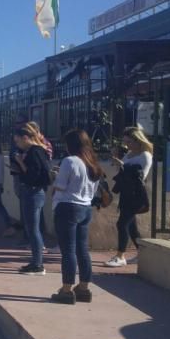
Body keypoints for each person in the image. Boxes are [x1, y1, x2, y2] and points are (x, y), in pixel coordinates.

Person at [50, 129, 102, 304]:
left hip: (67, 207)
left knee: (68, 251)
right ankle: (84, 288)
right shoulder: (93, 163)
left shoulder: (69, 161)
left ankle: (66, 290)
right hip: (85, 208)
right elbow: (94, 190)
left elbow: (61, 186)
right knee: (82, 249)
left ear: (70, 145)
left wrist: (55, 176)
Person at [106, 127, 154, 268]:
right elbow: (122, 173)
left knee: (122, 224)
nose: (127, 145)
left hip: (136, 194)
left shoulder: (145, 155)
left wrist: (123, 165)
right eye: (125, 142)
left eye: (129, 141)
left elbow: (140, 176)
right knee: (131, 226)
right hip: (126, 193)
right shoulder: (129, 154)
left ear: (137, 140)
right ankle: (141, 253)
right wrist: (119, 163)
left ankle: (120, 256)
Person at [12, 123, 52, 276]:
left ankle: (38, 264)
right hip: (33, 192)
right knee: (31, 228)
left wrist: (21, 163)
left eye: (18, 141)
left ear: (25, 137)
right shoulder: (37, 150)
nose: (17, 144)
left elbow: (33, 175)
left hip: (33, 192)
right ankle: (36, 261)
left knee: (33, 229)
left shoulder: (35, 151)